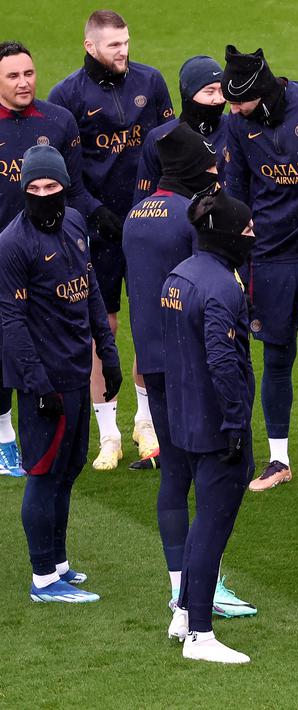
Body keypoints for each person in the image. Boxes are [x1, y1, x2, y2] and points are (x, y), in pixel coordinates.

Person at [124, 123, 255, 624]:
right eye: (210, 164)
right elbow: (208, 285)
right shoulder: (192, 218)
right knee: (210, 473)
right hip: (193, 361)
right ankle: (199, 593)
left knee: (175, 474)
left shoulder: (138, 214)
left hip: (154, 361)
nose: (216, 173)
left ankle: (180, 586)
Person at [48, 10, 175, 470]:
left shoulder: (151, 81)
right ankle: (107, 433)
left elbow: (167, 146)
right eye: (113, 45)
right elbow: (66, 176)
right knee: (104, 326)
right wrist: (99, 214)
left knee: (150, 320)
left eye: (126, 42)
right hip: (95, 229)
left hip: (149, 224)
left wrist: (155, 210)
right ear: (90, 47)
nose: (123, 51)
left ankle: (146, 422)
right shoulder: (66, 97)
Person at [220, 45, 298, 492]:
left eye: (239, 100)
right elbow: (235, 187)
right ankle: (278, 461)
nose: (232, 109)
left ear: (260, 90)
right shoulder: (237, 124)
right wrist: (239, 247)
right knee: (276, 357)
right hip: (270, 258)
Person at [0, 145, 120, 603]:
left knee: (68, 471)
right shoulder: (12, 245)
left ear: (65, 188)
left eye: (52, 187)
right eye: (35, 188)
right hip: (46, 380)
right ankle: (42, 578)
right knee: (44, 472)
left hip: (75, 369)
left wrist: (107, 354)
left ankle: (60, 563)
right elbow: (11, 322)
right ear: (24, 190)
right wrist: (37, 384)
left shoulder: (72, 223)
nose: (44, 195)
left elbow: (88, 289)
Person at [161, 190, 257, 663]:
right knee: (212, 526)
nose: (252, 236)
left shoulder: (177, 277)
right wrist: (236, 424)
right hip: (217, 425)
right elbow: (223, 362)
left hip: (183, 417)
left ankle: (183, 611)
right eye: (246, 230)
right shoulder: (222, 285)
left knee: (202, 521)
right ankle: (200, 632)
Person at [0, 40, 98, 477]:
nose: (24, 82)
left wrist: (103, 224)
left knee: (41, 343)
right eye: (12, 76)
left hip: (48, 253)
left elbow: (74, 190)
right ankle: (5, 437)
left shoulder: (59, 120)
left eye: (28, 73)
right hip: (7, 252)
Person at [132, 55, 228, 204]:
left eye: (222, 91)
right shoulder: (159, 138)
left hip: (228, 223)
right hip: (179, 223)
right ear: (189, 94)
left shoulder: (235, 128)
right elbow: (144, 201)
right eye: (210, 92)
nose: (218, 99)